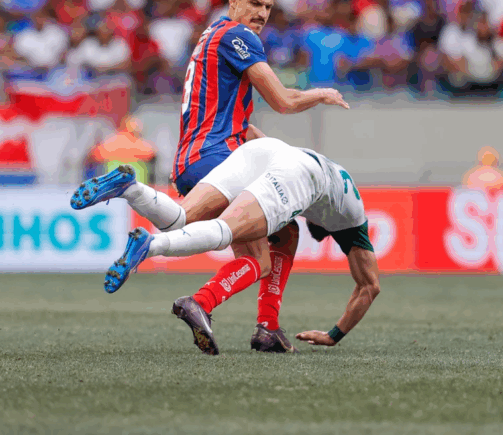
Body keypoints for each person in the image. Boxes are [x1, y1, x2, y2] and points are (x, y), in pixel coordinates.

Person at [71, 0, 350, 353]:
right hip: (220, 156)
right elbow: (283, 101)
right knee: (258, 259)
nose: (262, 13)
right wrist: (321, 94)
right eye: (254, 3)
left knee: (278, 234)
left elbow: (240, 123)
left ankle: (264, 326)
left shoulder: (211, 35)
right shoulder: (239, 37)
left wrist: (276, 157)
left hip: (193, 158)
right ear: (233, 0)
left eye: (268, 7)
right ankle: (201, 298)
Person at [103, 137, 380, 355]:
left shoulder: (335, 184)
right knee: (234, 237)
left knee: (183, 216)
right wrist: (333, 336)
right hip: (299, 173)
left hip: (263, 151)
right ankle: (155, 250)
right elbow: (370, 286)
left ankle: (133, 190)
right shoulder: (350, 219)